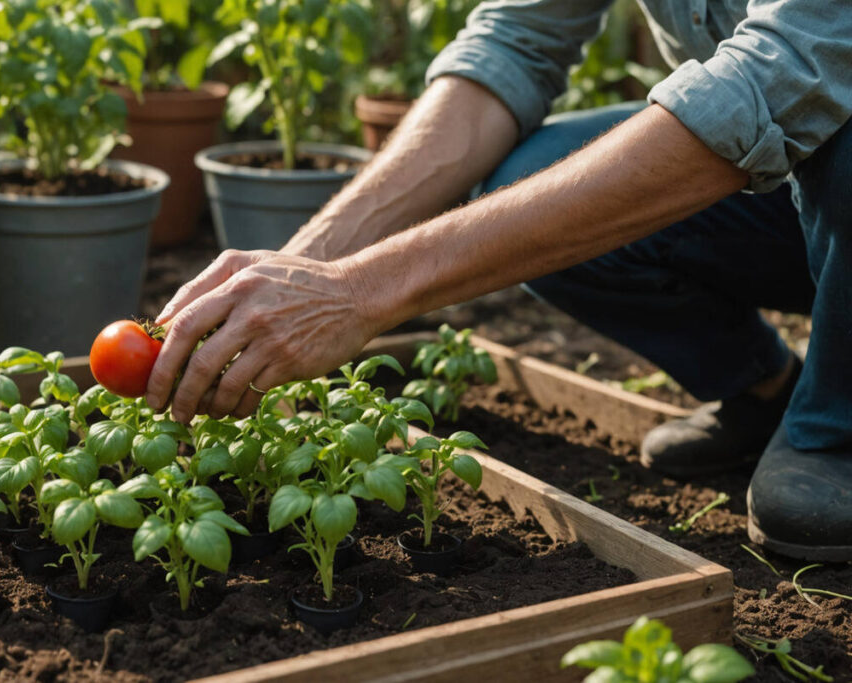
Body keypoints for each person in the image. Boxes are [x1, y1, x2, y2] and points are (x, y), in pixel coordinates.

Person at [144, 0, 852, 562]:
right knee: (525, 177)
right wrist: (307, 265)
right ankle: (769, 388)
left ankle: (836, 430)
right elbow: (515, 44)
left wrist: (362, 291)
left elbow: (784, 76)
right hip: (794, 194)